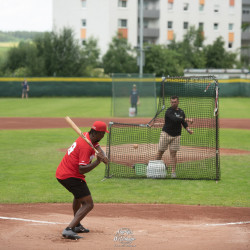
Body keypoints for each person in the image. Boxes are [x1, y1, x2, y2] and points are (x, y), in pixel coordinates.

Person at [56, 121, 109, 240]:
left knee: (79, 196)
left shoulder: (88, 136)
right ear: (98, 133)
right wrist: (98, 161)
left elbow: (97, 147)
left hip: (64, 173)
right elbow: (81, 169)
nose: (104, 136)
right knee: (88, 204)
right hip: (70, 176)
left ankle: (76, 226)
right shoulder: (85, 146)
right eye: (103, 134)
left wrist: (103, 156)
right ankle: (69, 229)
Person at [156, 96, 193, 178]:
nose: (173, 103)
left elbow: (183, 123)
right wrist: (187, 119)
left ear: (178, 102)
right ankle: (155, 168)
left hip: (176, 135)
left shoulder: (181, 111)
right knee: (160, 151)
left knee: (173, 154)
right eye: (172, 102)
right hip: (166, 134)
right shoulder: (168, 111)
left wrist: (188, 129)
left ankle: (173, 172)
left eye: (175, 102)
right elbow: (175, 119)